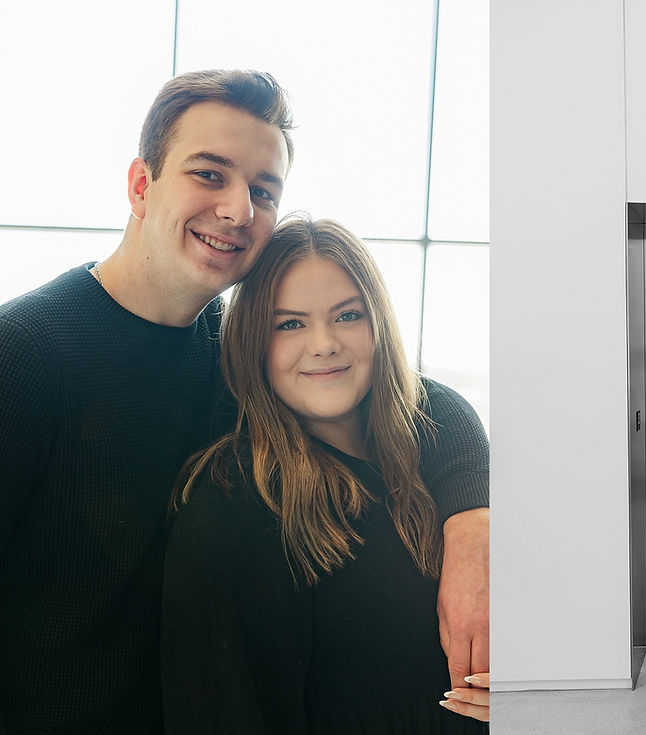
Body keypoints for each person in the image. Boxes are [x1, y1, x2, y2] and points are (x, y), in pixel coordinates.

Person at [0, 70, 488, 734]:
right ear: (141, 185)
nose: (237, 210)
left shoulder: (233, 352)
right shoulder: (25, 353)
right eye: (209, 174)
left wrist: (473, 521)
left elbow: (410, 399)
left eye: (263, 190)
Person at [161, 216, 489, 732]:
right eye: (290, 324)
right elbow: (217, 711)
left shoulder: (435, 451)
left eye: (348, 316)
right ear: (253, 341)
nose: (324, 344)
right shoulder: (233, 500)